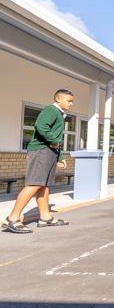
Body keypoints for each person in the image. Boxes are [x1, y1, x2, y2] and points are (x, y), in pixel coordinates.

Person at [2, 89, 73, 233]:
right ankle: (13, 218)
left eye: (72, 101)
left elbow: (56, 138)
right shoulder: (51, 110)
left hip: (49, 152)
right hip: (41, 151)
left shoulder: (59, 114)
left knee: (43, 185)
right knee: (34, 183)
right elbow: (41, 126)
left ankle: (45, 217)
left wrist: (59, 156)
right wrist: (53, 141)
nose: (71, 103)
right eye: (68, 100)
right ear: (58, 99)